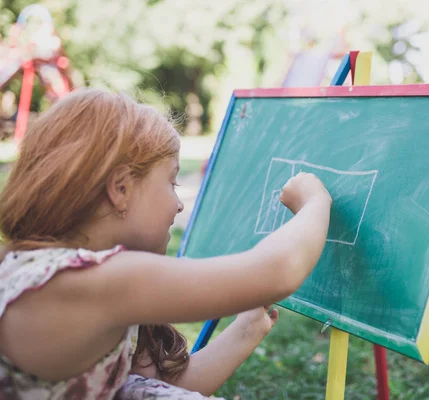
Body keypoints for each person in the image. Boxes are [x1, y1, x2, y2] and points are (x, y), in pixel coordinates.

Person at [0, 88, 332, 399]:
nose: (179, 203)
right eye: (172, 181)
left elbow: (157, 387)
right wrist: (315, 202)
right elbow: (279, 271)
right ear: (120, 188)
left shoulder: (69, 276)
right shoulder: (88, 283)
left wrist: (246, 329)